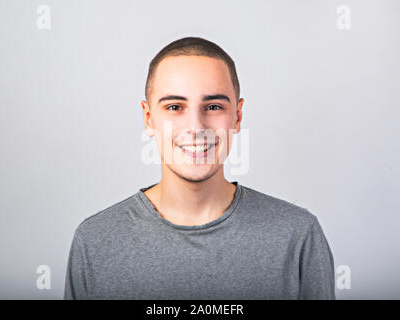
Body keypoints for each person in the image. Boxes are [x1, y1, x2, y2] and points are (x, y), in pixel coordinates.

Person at [64, 36, 336, 300]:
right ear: (148, 118)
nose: (196, 127)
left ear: (237, 116)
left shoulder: (298, 235)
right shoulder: (95, 240)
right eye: (174, 106)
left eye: (214, 106)